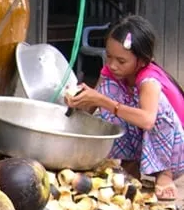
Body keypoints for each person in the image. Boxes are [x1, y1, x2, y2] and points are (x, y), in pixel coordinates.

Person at [65, 14, 184, 200]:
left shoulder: (149, 80)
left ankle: (165, 173)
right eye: (109, 56)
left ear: (143, 61)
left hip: (174, 152)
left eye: (121, 61)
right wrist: (77, 101)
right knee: (107, 89)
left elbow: (147, 120)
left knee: (150, 109)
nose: (112, 65)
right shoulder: (111, 74)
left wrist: (102, 101)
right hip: (141, 145)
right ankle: (130, 163)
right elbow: (91, 106)